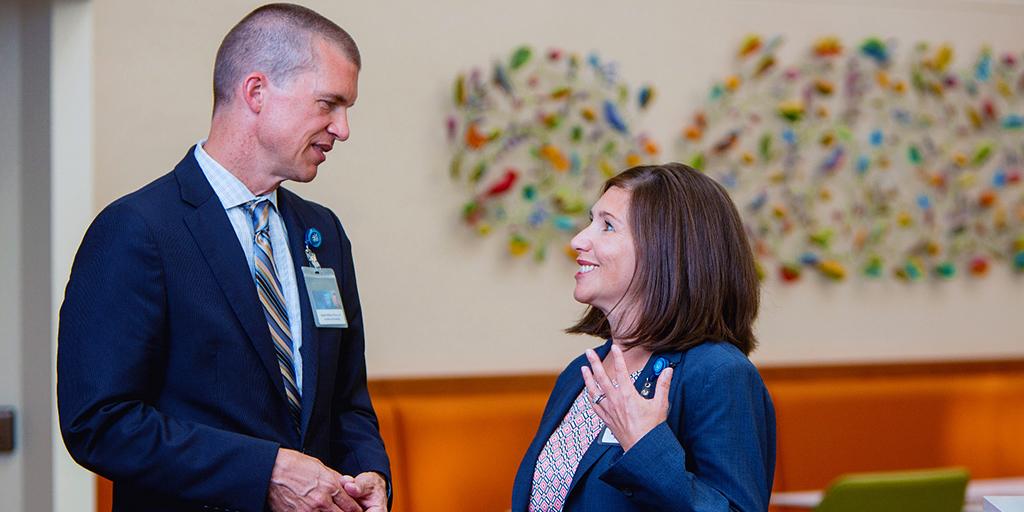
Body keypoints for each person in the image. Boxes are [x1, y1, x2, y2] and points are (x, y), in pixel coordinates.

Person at [57, 4, 390, 512]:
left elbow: (347, 401)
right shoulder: (138, 230)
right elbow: (99, 422)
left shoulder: (322, 233)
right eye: (329, 104)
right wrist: (265, 473)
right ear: (256, 92)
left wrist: (370, 474)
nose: (342, 129)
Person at [511, 163, 776, 511]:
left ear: (665, 250)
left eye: (607, 226)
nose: (579, 240)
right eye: (591, 221)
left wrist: (645, 444)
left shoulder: (717, 373)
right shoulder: (580, 373)